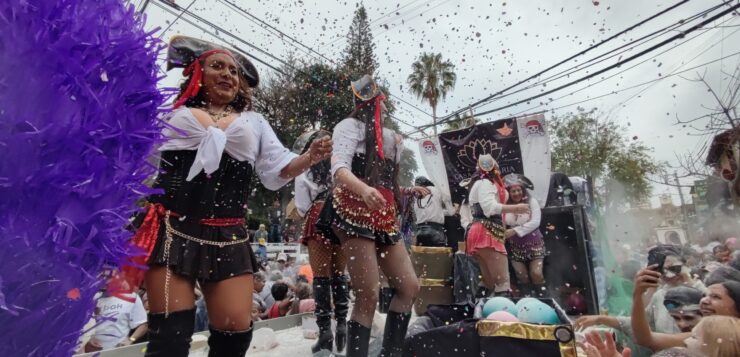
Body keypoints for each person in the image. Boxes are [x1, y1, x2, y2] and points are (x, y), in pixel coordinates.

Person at [131, 36, 332, 357]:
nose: (227, 74)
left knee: (235, 335)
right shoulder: (171, 114)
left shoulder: (255, 122)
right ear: (197, 73)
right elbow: (136, 160)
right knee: (169, 339)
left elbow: (276, 170)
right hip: (172, 231)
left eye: (234, 72)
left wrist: (309, 157)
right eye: (217, 66)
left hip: (228, 236)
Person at [316, 75, 427, 357]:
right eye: (379, 101)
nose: (383, 107)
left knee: (408, 287)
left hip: (383, 214)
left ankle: (391, 354)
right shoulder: (347, 127)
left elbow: (384, 184)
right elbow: (339, 169)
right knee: (368, 293)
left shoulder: (391, 138)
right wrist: (364, 190)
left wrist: (407, 192)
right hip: (353, 207)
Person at [293, 129, 351, 354]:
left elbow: (301, 206)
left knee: (321, 277)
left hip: (318, 216)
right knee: (339, 275)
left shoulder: (304, 171)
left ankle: (325, 331)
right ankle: (343, 325)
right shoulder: (341, 167)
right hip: (341, 217)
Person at [631, 266, 740, 353]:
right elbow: (645, 339)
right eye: (705, 296)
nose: (704, 301)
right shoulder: (704, 335)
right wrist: (638, 294)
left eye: (716, 297)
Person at [464, 154, 530, 297]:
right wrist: (516, 208)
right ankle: (500, 319)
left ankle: (478, 313)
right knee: (502, 281)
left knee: (488, 281)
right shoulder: (485, 184)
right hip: (487, 230)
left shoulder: (482, 184)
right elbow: (490, 208)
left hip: (482, 230)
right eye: (497, 167)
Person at [502, 173, 545, 297]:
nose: (516, 193)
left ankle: (543, 300)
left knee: (536, 274)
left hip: (534, 244)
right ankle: (528, 301)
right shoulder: (505, 206)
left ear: (523, 190)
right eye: (513, 191)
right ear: (508, 193)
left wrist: (514, 231)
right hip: (515, 247)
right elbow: (503, 222)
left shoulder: (532, 202)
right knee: (522, 275)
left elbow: (536, 222)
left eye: (518, 190)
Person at [85, 276, 148, 352]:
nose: (105, 280)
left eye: (109, 277)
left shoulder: (131, 297)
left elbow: (143, 325)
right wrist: (87, 342)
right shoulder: (91, 298)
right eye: (102, 276)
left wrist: (131, 340)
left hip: (118, 351)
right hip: (91, 352)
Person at [412, 176, 454, 247]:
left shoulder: (415, 196)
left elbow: (428, 211)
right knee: (439, 256)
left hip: (419, 232)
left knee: (422, 256)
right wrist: (453, 210)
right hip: (435, 231)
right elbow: (450, 211)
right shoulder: (436, 190)